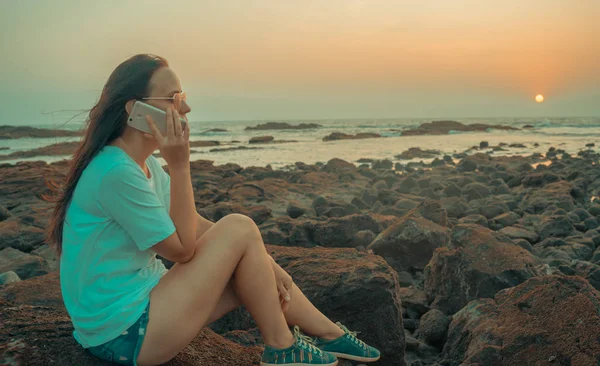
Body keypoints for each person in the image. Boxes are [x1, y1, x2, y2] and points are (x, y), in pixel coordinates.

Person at [44, 53, 381, 366]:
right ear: (136, 110)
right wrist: (180, 166)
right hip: (124, 335)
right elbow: (182, 250)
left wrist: (269, 265)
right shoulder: (115, 173)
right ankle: (281, 346)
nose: (186, 108)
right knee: (239, 224)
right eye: (174, 99)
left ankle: (330, 335)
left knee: (248, 257)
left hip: (141, 311)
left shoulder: (140, 164)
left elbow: (198, 226)